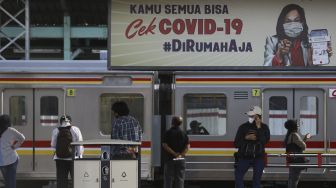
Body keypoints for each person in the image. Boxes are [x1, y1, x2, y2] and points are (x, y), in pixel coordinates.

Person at [264, 4, 332, 66]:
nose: (293, 25)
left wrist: (320, 57)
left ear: (302, 22)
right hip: (284, 79)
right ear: (282, 24)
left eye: (297, 20)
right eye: (288, 21)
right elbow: (266, 66)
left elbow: (314, 70)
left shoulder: (311, 40)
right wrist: (279, 55)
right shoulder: (272, 41)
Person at [234, 106, 270, 188]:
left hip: (258, 158)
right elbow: (236, 144)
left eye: (252, 116)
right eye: (249, 115)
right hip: (244, 157)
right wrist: (245, 138)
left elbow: (264, 141)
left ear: (258, 116)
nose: (249, 117)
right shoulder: (243, 127)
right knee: (238, 176)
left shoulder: (264, 127)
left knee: (257, 180)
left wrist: (259, 127)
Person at [51, 115, 84, 188]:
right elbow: (80, 145)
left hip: (59, 159)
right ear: (70, 122)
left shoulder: (56, 130)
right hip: (73, 159)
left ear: (60, 122)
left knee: (61, 181)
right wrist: (79, 157)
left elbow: (53, 145)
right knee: (75, 180)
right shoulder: (75, 129)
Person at [162, 116, 190, 188]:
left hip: (170, 159)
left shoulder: (168, 133)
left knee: (168, 179)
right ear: (180, 124)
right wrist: (180, 155)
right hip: (181, 160)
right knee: (180, 179)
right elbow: (187, 147)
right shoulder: (184, 133)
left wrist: (174, 154)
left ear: (172, 123)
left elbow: (165, 145)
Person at [0, 114, 25, 188]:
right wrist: (15, 146)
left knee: (7, 182)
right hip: (12, 160)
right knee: (11, 183)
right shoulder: (10, 130)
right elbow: (22, 138)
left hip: (2, 162)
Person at [284, 119, 310, 188]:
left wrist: (304, 139)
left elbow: (297, 145)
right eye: (297, 125)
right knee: (294, 179)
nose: (298, 126)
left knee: (291, 178)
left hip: (292, 159)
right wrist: (305, 139)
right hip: (297, 160)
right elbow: (303, 146)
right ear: (294, 127)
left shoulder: (289, 134)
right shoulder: (294, 135)